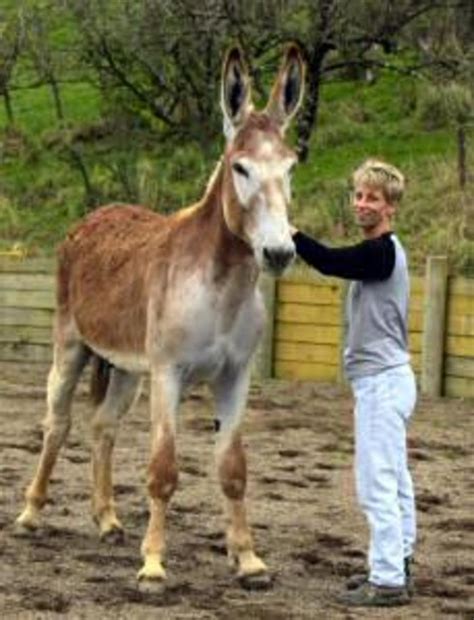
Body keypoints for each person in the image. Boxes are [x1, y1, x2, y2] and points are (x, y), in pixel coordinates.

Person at [291, 159, 417, 607]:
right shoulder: (383, 251)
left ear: (391, 207)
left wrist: (290, 236)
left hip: (382, 382)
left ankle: (386, 581)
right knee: (395, 478)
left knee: (376, 481)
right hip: (387, 379)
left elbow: (329, 261)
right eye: (359, 195)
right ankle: (397, 561)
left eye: (373, 198)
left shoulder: (380, 253)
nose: (362, 204)